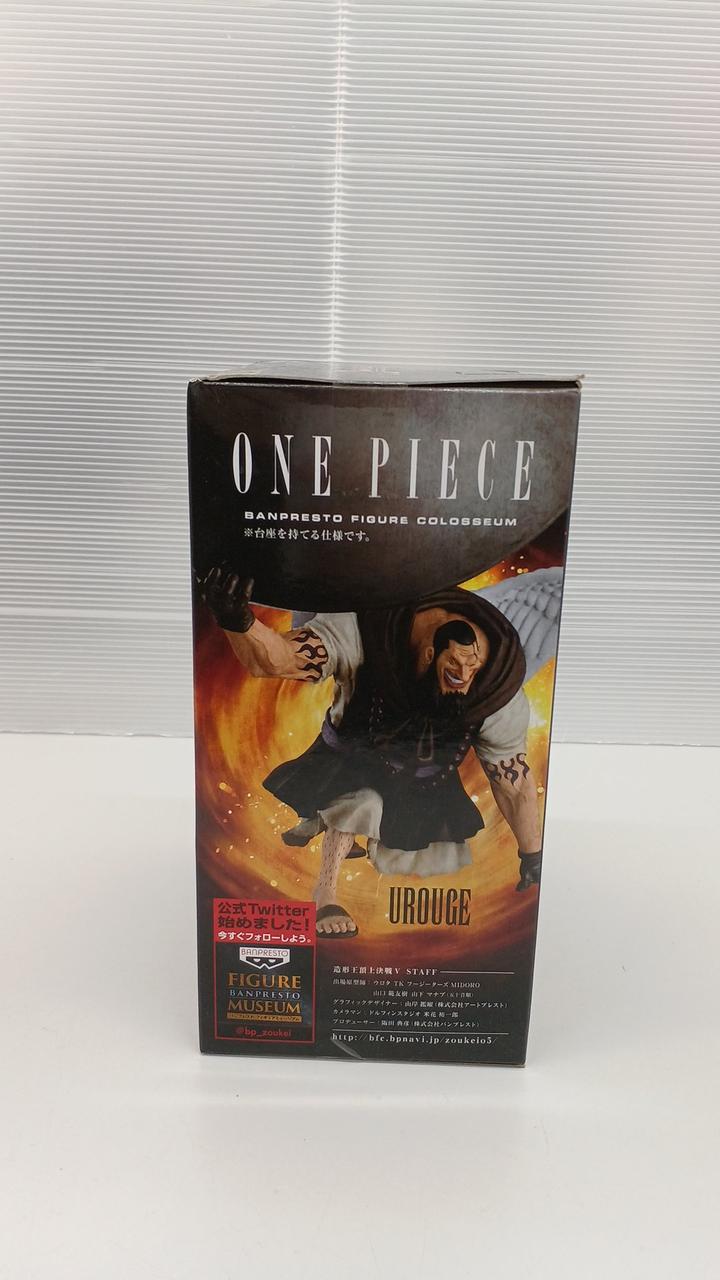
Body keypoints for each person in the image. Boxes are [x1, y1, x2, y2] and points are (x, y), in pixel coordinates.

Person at [200, 567, 543, 938]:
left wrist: (533, 855)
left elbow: (513, 783)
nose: (463, 680)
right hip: (349, 757)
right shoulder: (357, 629)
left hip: (421, 784)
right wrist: (239, 621)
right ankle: (325, 893)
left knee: (371, 812)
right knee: (361, 802)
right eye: (453, 667)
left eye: (471, 669)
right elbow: (281, 659)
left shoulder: (499, 699)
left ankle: (317, 822)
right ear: (430, 653)